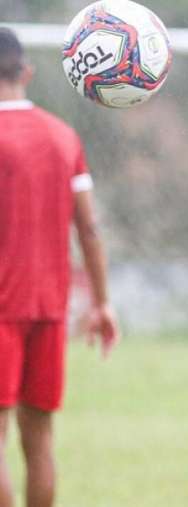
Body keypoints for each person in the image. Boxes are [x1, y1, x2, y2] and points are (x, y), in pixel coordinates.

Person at [0, 28, 120, 507]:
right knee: (40, 439)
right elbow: (88, 229)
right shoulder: (63, 135)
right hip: (50, 309)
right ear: (26, 73)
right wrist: (102, 302)